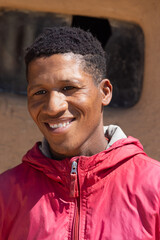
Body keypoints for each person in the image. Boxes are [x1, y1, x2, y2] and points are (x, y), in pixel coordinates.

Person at [0, 26, 160, 240]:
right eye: (40, 92)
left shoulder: (155, 186)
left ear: (104, 92)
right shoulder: (6, 193)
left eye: (69, 88)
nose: (53, 106)